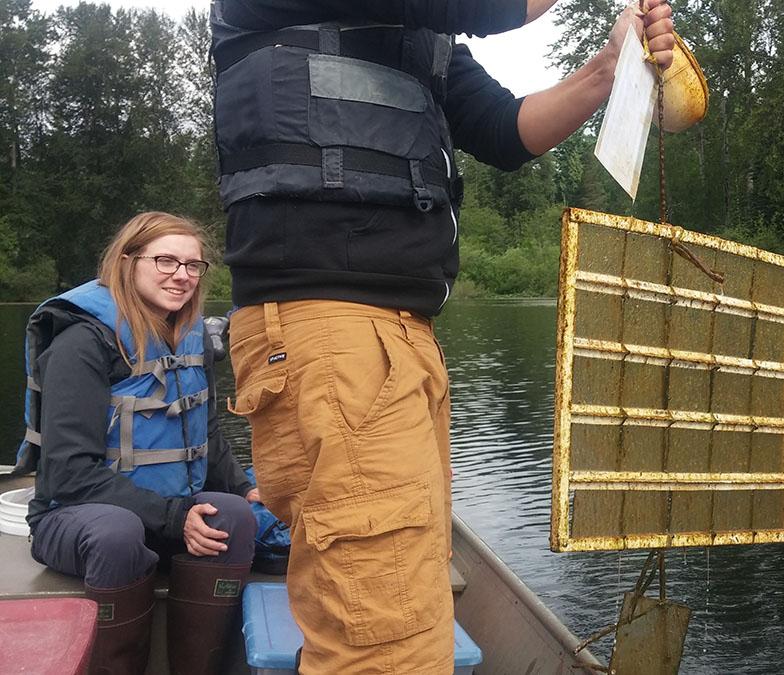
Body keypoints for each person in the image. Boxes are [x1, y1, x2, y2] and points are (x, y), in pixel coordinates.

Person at [212, 0, 677, 671]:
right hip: (337, 338)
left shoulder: (417, 35)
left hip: (396, 346)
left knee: (410, 624)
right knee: (386, 651)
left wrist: (609, 68)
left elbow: (504, 130)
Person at [15, 212, 260, 675]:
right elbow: (68, 472)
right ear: (127, 262)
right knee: (117, 533)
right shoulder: (81, 343)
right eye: (166, 260)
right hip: (75, 520)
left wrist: (246, 487)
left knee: (237, 517)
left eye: (193, 265)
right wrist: (174, 517)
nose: (182, 275)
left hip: (168, 518)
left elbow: (204, 431)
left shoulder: (191, 340)